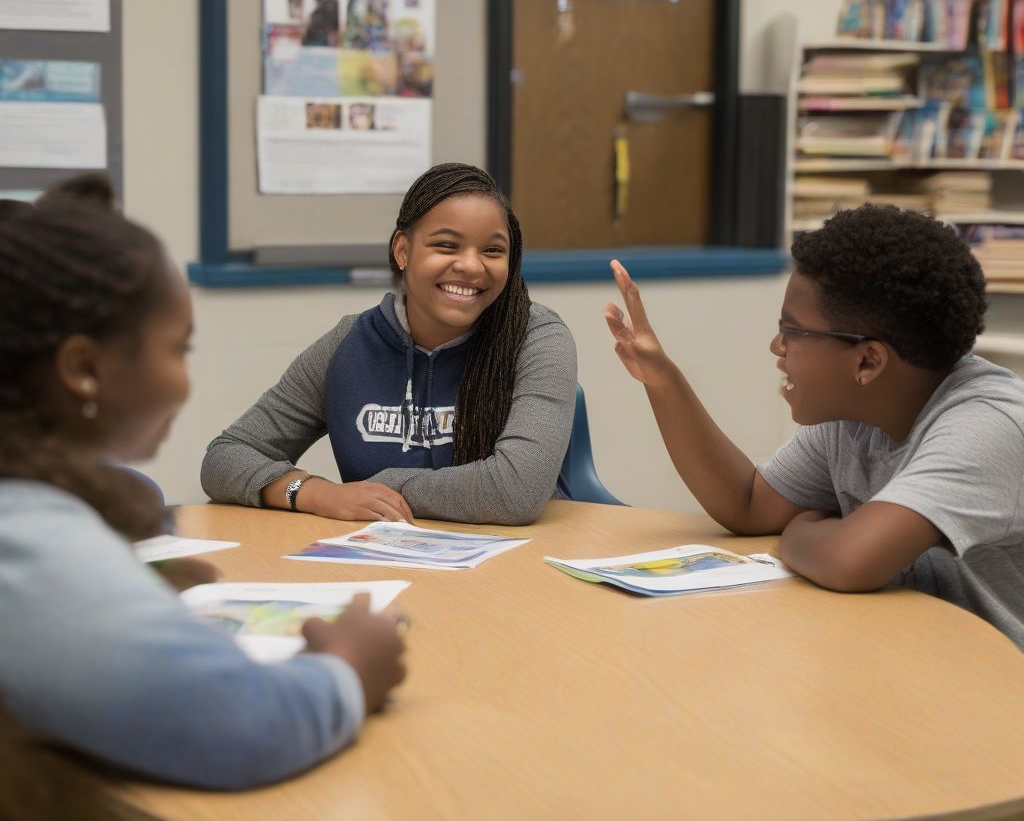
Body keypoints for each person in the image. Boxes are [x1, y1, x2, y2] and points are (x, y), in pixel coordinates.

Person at [0, 177, 407, 790]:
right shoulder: (29, 540)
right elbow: (243, 726)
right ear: (84, 368)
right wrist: (348, 668)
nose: (186, 382)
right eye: (178, 349)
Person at [605, 204, 1024, 648]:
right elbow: (748, 504)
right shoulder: (857, 416)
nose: (776, 346)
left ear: (867, 361)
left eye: (792, 332)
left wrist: (800, 532)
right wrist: (662, 379)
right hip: (913, 656)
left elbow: (850, 560)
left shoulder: (987, 427)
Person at [201, 162, 577, 526]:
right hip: (382, 565)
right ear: (403, 250)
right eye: (446, 245)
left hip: (515, 572)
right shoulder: (348, 344)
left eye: (492, 251)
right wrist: (317, 493)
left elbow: (516, 492)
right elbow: (226, 457)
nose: (471, 266)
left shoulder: (537, 338)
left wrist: (382, 487)